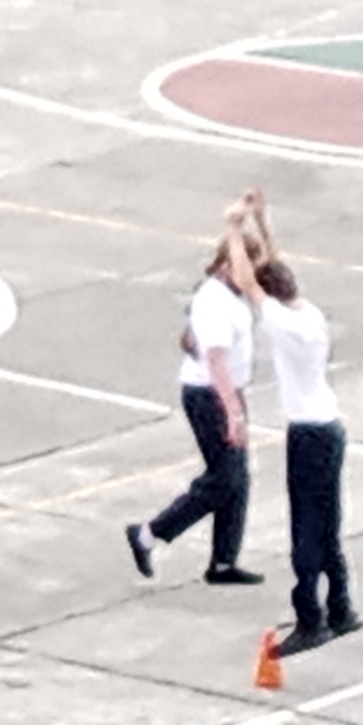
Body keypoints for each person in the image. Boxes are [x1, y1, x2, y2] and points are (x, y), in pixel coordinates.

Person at [220, 190, 357, 654]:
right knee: (328, 524)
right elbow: (273, 268)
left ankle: (310, 618)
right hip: (330, 426)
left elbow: (246, 278)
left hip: (309, 435)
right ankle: (340, 606)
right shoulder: (306, 313)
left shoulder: (283, 324)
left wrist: (234, 229)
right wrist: (262, 220)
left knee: (305, 528)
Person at [124, 216, 260, 587]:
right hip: (209, 395)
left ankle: (223, 561)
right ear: (227, 264)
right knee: (224, 477)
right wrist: (232, 411)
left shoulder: (231, 293)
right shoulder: (215, 300)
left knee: (238, 478)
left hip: (226, 392)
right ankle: (149, 534)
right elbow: (215, 361)